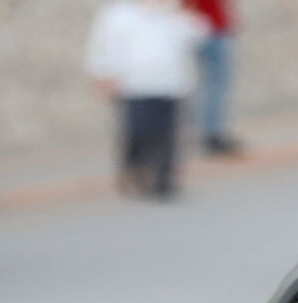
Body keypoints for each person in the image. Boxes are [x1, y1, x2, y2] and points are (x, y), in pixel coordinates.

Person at [86, 0, 208, 199]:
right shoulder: (119, 13)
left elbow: (198, 35)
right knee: (139, 131)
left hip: (170, 83)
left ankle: (163, 180)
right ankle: (136, 171)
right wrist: (103, 74)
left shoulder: (174, 13)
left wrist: (183, 13)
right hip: (135, 85)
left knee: (167, 134)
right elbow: (103, 44)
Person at [186, 0, 240, 155]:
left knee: (206, 85)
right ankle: (212, 133)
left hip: (204, 29)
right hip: (210, 30)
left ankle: (205, 132)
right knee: (215, 84)